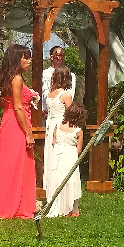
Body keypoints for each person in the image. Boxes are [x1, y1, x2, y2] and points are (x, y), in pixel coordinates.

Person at [0, 43, 39, 219]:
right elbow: (18, 107)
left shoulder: (10, 77)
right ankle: (15, 205)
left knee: (10, 164)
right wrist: (28, 133)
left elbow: (8, 103)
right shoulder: (17, 79)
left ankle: (10, 203)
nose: (29, 61)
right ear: (16, 59)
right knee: (16, 164)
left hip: (8, 120)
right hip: (17, 125)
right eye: (25, 57)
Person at [44, 103, 86, 217]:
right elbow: (78, 150)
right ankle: (70, 207)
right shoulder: (78, 131)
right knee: (70, 180)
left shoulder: (57, 126)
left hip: (58, 154)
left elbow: (53, 142)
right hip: (70, 156)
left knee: (57, 178)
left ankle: (56, 203)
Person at [42, 67, 74, 199]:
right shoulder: (66, 95)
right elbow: (71, 115)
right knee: (61, 157)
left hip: (50, 125)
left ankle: (50, 188)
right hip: (60, 126)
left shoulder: (50, 94)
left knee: (51, 155)